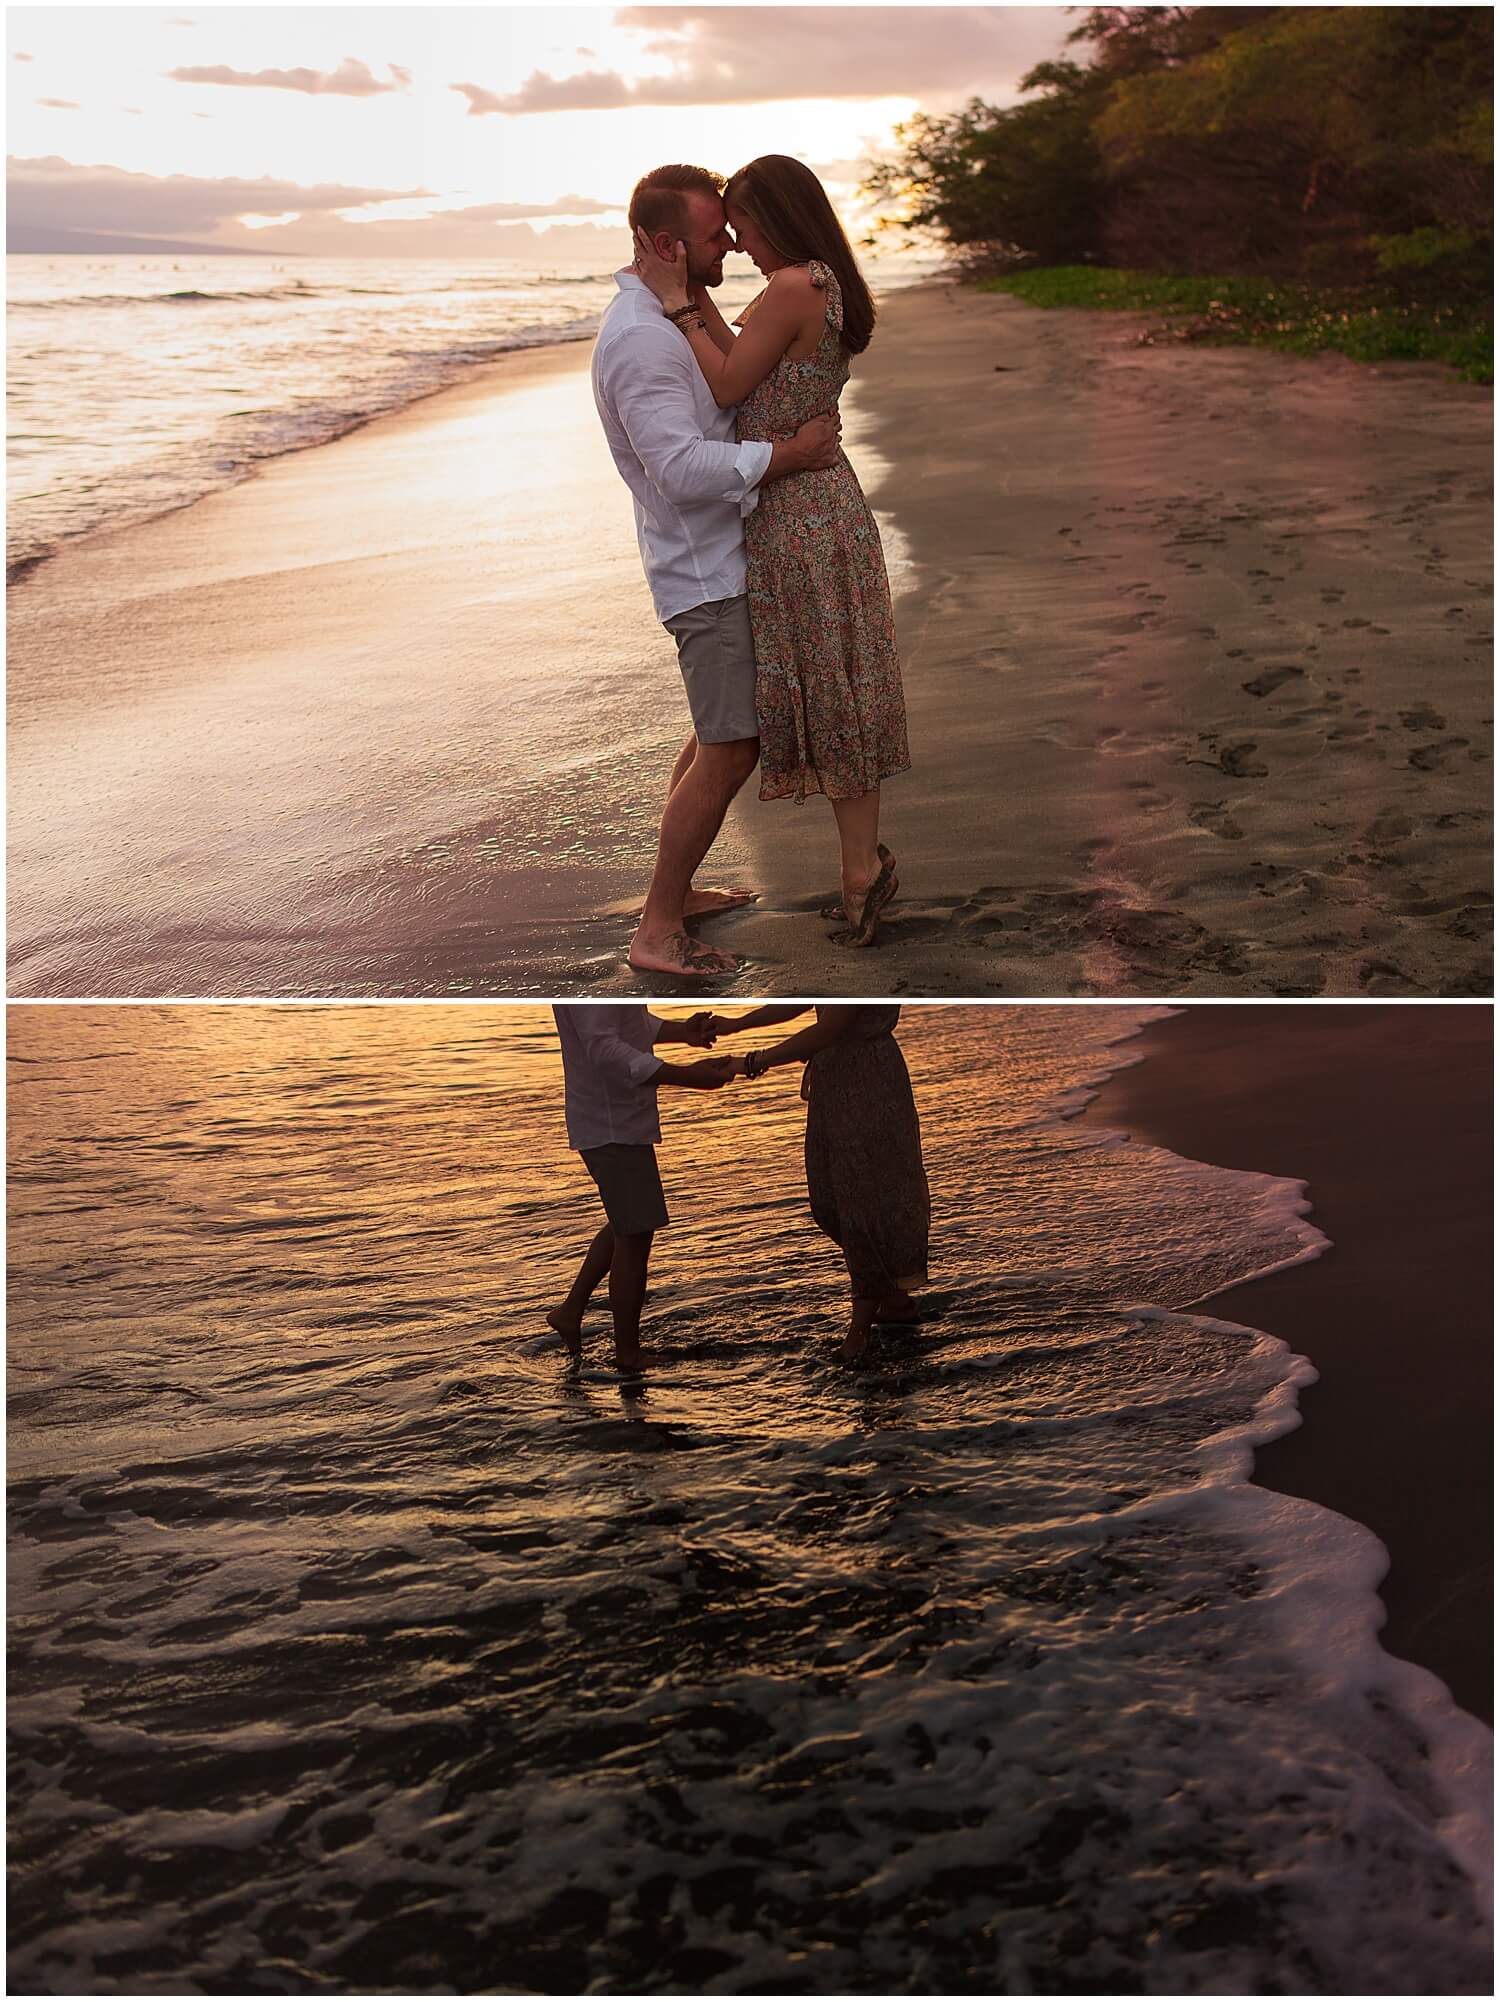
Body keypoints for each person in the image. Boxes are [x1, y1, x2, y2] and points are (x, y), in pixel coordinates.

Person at [633, 155, 912, 948]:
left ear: (779, 218)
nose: (741, 242)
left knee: (832, 686)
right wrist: (692, 310)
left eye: (745, 226)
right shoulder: (820, 283)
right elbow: (746, 359)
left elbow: (726, 388)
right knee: (842, 680)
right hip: (823, 504)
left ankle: (861, 874)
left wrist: (680, 306)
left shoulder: (791, 288)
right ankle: (862, 870)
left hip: (798, 512)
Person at [593, 164, 845, 982]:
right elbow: (681, 468)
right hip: (705, 576)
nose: (729, 246)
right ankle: (658, 928)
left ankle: (679, 888)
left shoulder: (668, 317)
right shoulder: (639, 340)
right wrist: (791, 453)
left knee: (714, 734)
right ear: (668, 245)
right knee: (732, 748)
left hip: (724, 561)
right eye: (712, 236)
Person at [710, 1004, 929, 1359]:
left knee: (860, 1205)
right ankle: (893, 1299)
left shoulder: (856, 967)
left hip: (868, 1082)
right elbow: (802, 1000)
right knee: (828, 1203)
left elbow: (831, 1029)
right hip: (836, 1081)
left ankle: (860, 1330)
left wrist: (753, 1061)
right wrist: (738, 1023)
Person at [549, 1004, 733, 1374]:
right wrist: (686, 1076)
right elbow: (602, 1048)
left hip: (618, 1119)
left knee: (629, 1223)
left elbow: (629, 1023)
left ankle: (571, 1311)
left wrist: (682, 1031)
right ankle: (627, 1354)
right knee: (635, 1233)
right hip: (609, 1122)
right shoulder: (587, 985)